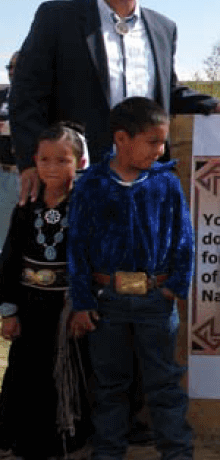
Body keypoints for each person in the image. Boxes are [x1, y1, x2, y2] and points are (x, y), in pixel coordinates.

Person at [11, 0, 220, 204]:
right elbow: (26, 95)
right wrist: (31, 163)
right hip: (76, 179)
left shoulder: (163, 29)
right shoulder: (58, 19)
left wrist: (212, 106)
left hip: (144, 180)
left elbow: (166, 91)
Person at [67, 97, 194, 460]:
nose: (160, 149)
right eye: (153, 141)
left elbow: (184, 238)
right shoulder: (91, 185)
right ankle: (107, 453)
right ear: (121, 138)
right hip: (107, 302)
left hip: (156, 301)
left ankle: (178, 453)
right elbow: (77, 247)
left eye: (162, 141)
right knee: (110, 386)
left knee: (164, 383)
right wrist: (84, 301)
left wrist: (174, 287)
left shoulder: (165, 183)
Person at [0, 122, 91, 459]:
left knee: (65, 371)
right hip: (28, 302)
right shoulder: (26, 206)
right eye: (45, 160)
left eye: (62, 161)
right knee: (24, 370)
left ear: (79, 163)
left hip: (66, 306)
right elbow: (9, 259)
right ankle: (17, 441)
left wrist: (83, 304)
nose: (52, 168)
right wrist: (8, 310)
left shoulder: (85, 207)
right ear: (34, 161)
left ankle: (62, 442)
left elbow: (89, 259)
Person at [0, 53, 19, 246]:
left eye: (18, 66)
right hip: (2, 173)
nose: (13, 71)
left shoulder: (41, 97)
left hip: (27, 174)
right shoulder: (1, 96)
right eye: (9, 67)